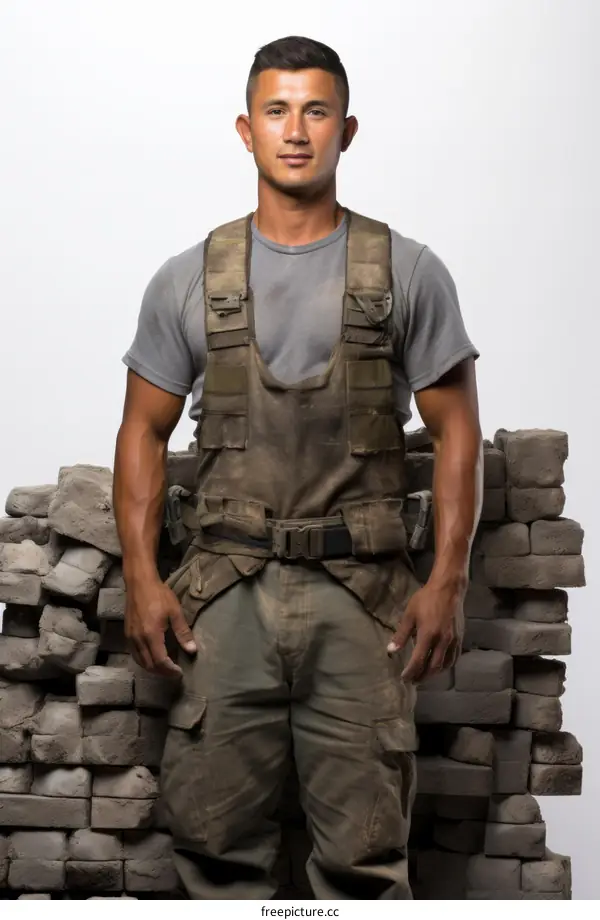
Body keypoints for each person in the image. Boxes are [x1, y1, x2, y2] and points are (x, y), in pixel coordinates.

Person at [113, 35, 483, 900]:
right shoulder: (189, 280)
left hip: (364, 600)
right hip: (225, 594)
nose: (296, 130)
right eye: (277, 111)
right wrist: (140, 575)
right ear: (246, 130)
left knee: (363, 857)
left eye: (316, 111)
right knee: (213, 846)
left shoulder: (406, 271)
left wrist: (449, 581)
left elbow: (457, 429)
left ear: (346, 130)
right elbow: (140, 432)